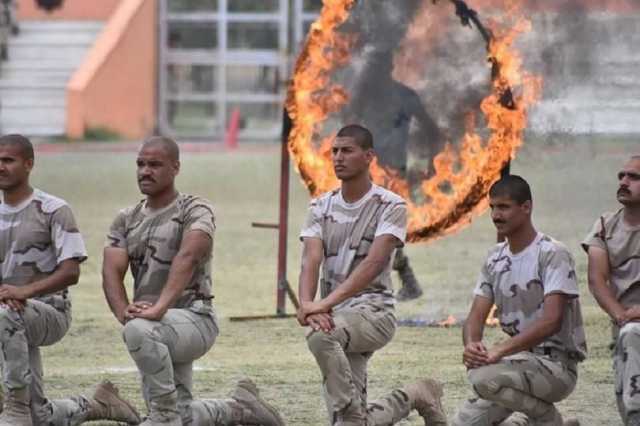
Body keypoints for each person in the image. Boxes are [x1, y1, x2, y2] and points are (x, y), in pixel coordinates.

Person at [102, 136, 285, 426]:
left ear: (175, 168)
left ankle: (162, 418)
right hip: (155, 323)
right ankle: (241, 409)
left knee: (139, 332)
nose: (145, 171)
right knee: (184, 415)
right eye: (140, 164)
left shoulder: (194, 209)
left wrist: (159, 307)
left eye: (154, 165)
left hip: (195, 319)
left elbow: (188, 256)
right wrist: (123, 310)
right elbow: (111, 270)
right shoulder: (126, 218)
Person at [297, 124, 447, 426]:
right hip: (334, 315)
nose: (338, 157)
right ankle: (416, 394)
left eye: (347, 151)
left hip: (374, 313)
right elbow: (310, 260)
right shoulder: (320, 206)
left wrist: (322, 306)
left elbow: (375, 262)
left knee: (319, 338)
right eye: (335, 151)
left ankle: (352, 413)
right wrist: (306, 305)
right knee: (352, 425)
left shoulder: (390, 205)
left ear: (369, 157)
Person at [0, 134, 140, 426]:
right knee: (40, 417)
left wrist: (24, 291)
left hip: (49, 312)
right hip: (8, 313)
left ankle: (15, 408)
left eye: (8, 160)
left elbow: (70, 272)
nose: (1, 167)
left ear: (29, 164)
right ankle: (99, 404)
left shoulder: (53, 210)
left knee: (5, 315)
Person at [452, 175, 585, 426]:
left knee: (482, 377)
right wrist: (472, 346)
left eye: (504, 207)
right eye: (492, 208)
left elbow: (551, 322)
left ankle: (548, 419)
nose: (495, 215)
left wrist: (498, 351)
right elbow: (475, 317)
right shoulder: (494, 258)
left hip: (556, 367)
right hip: (513, 364)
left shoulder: (552, 253)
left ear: (526, 207)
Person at [344, 48, 447, 301]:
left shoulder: (405, 97)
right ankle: (402, 282)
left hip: (394, 175)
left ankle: (392, 284)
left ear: (388, 68)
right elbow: (346, 129)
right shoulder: (364, 97)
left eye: (379, 68)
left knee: (381, 231)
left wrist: (433, 166)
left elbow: (433, 133)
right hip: (365, 173)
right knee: (369, 230)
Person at [582, 155, 640, 426]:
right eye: (621, 176)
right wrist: (622, 316)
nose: (624, 182)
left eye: (633, 177)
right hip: (624, 329)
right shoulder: (605, 227)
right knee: (626, 402)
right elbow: (596, 279)